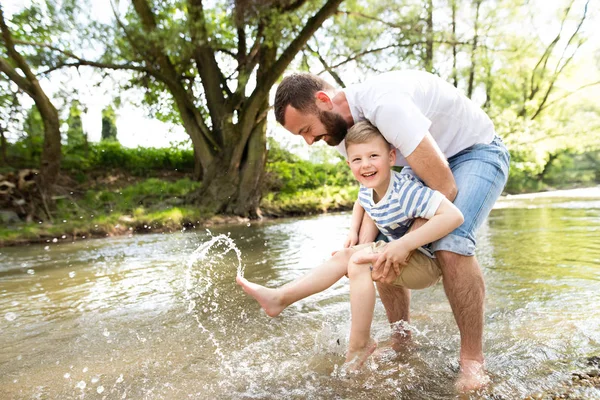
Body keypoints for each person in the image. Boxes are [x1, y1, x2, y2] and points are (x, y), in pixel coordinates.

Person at [273, 70, 510, 391]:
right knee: (378, 247)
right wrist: (361, 242)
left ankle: (472, 363)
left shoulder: (385, 105)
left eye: (306, 130)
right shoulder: (341, 133)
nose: (310, 141)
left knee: (451, 243)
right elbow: (376, 194)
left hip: (475, 152)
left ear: (324, 101)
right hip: (423, 166)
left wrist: (407, 244)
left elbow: (444, 185)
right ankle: (402, 342)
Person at [237, 122, 464, 369]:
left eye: (373, 156)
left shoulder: (406, 190)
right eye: (357, 159)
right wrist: (353, 232)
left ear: (391, 157)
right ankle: (280, 298)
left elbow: (454, 216)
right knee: (347, 255)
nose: (365, 164)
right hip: (403, 259)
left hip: (425, 263)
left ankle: (359, 345)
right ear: (349, 165)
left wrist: (404, 244)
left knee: (358, 262)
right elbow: (361, 203)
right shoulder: (368, 190)